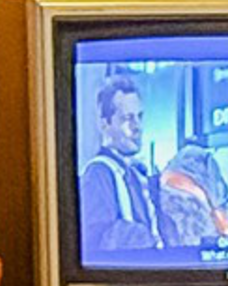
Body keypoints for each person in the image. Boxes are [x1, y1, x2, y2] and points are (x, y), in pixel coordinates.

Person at [75, 74, 174, 256]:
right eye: (127, 118)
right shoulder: (97, 174)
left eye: (139, 117)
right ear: (105, 124)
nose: (138, 127)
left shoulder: (137, 174)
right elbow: (97, 241)